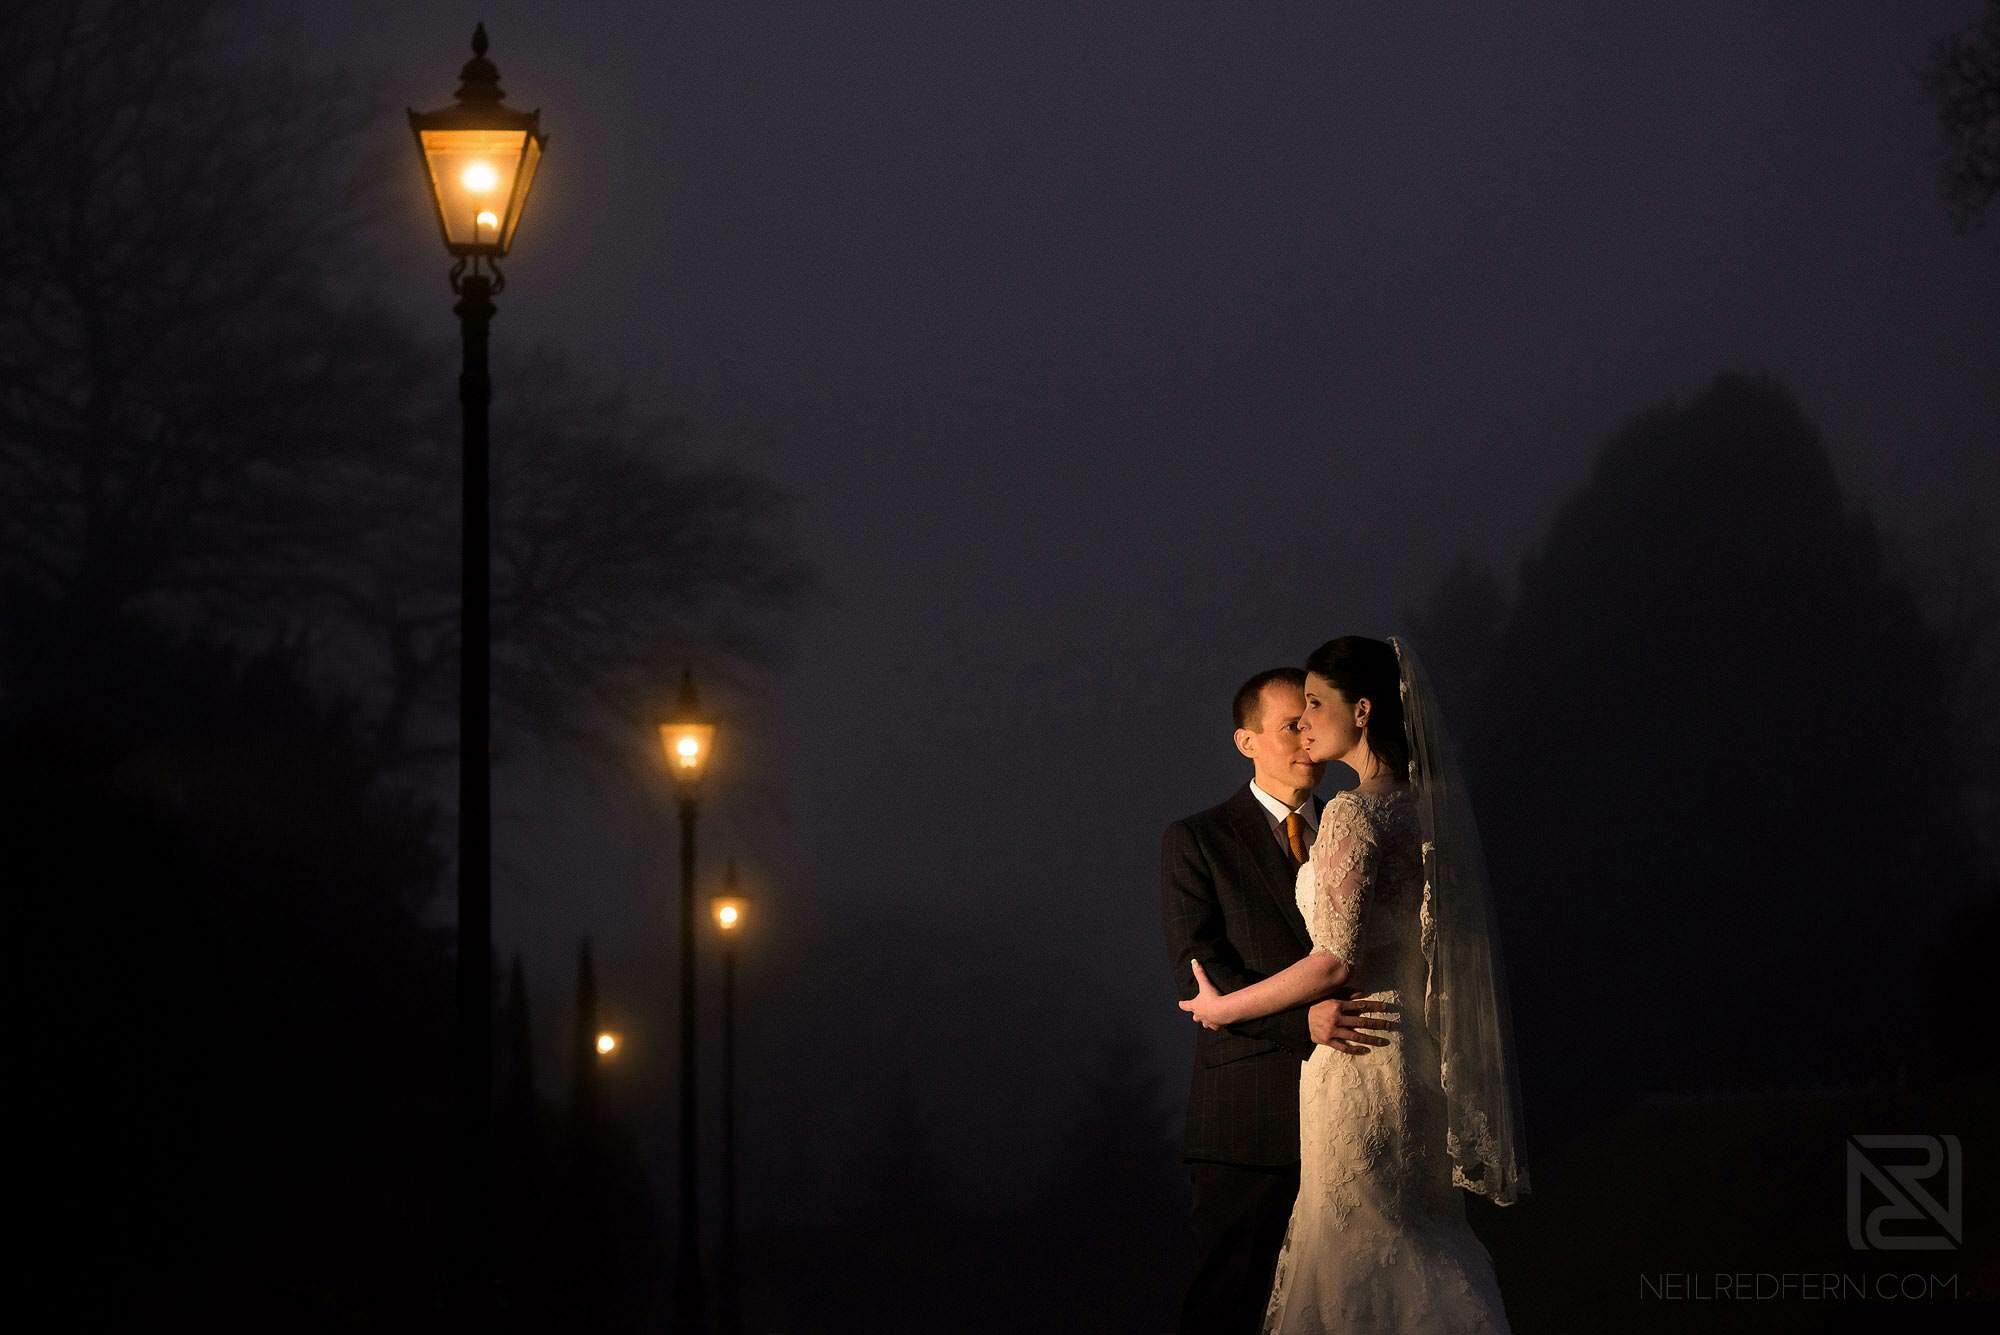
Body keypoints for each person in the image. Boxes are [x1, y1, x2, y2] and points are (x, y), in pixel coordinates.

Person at [1180, 637, 1528, 1333]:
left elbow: (1333, 962)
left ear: (1362, 711)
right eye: (1295, 713)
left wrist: (1223, 1006)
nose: (1306, 723)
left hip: (1360, 1062)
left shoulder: (1353, 812)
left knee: (1357, 1248)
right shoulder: (1425, 807)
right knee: (1410, 1239)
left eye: (1314, 704)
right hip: (1412, 1061)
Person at [1161, 667, 1397, 1335]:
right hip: (1250, 1117)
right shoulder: (1198, 839)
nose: (1307, 735)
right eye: (1291, 724)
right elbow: (1199, 978)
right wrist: (1303, 1020)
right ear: (1247, 741)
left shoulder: (1353, 826)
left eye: (1312, 719)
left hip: (1355, 1104)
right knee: (1232, 1302)